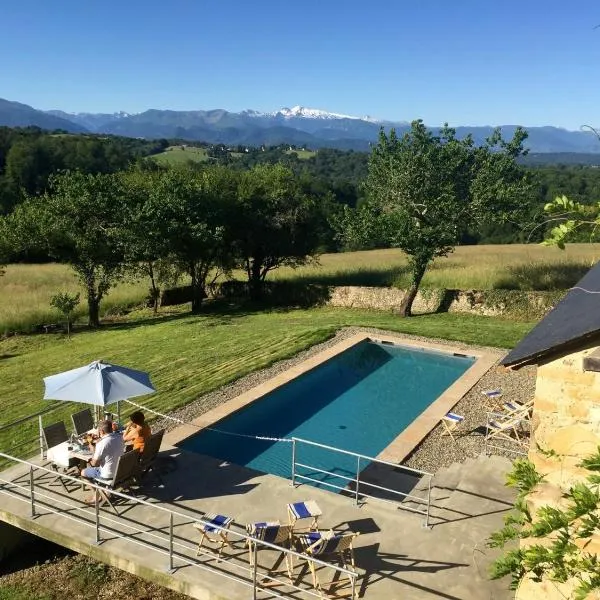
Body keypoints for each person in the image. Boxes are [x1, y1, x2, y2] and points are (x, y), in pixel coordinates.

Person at [80, 420, 124, 493]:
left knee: (83, 472)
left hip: (107, 475)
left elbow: (95, 464)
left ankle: (96, 495)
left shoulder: (101, 443)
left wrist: (93, 449)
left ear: (102, 431)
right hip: (120, 472)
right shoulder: (120, 437)